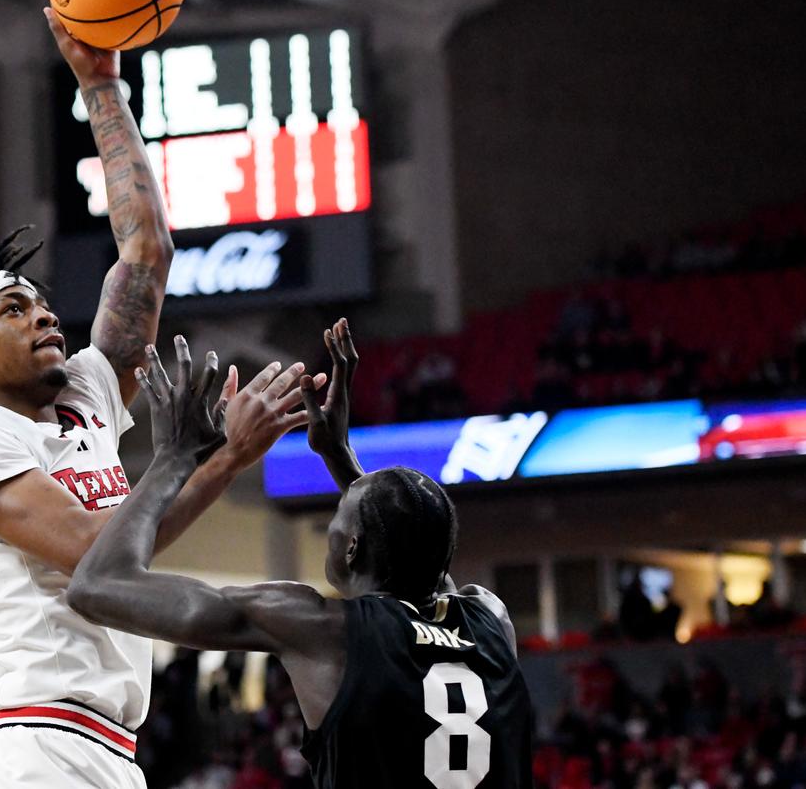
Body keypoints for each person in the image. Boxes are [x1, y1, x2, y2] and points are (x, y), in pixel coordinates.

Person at [0, 10, 325, 789]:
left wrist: (101, 85)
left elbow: (145, 253)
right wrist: (213, 459)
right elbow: (98, 556)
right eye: (13, 310)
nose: (44, 314)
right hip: (36, 746)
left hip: (109, 750)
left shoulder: (83, 398)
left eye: (40, 301)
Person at [69, 319, 533, 788]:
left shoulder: (319, 627)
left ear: (352, 548)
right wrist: (340, 456)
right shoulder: (490, 619)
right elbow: (424, 560)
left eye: (338, 515)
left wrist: (173, 458)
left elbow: (96, 586)